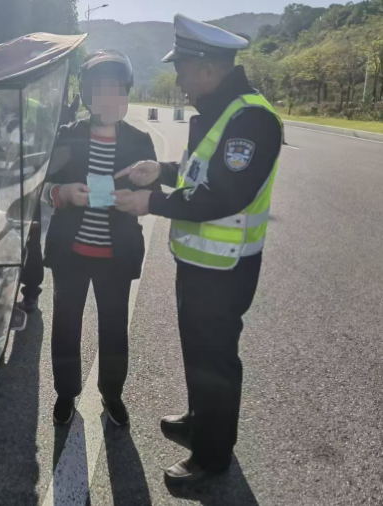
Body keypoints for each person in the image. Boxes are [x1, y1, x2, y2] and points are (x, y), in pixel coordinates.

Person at [113, 13, 283, 484]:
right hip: (200, 262)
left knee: (215, 358)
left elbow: (224, 195)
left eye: (182, 70)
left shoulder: (251, 118)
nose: (179, 81)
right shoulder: (221, 111)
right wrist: (162, 170)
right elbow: (201, 172)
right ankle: (199, 420)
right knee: (198, 351)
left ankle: (211, 457)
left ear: (208, 68)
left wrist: (151, 202)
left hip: (225, 269)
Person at [42, 50, 160, 426]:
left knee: (114, 327)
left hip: (116, 255)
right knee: (65, 325)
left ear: (126, 93)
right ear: (87, 94)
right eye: (100, 90)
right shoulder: (68, 136)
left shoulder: (139, 142)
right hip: (71, 253)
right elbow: (40, 187)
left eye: (116, 90)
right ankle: (65, 393)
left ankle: (112, 393)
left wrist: (137, 200)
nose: (109, 98)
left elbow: (153, 193)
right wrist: (61, 193)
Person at [17, 92, 81, 314]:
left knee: (30, 237)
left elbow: (49, 148)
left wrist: (39, 172)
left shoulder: (39, 111)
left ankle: (31, 293)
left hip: (29, 185)